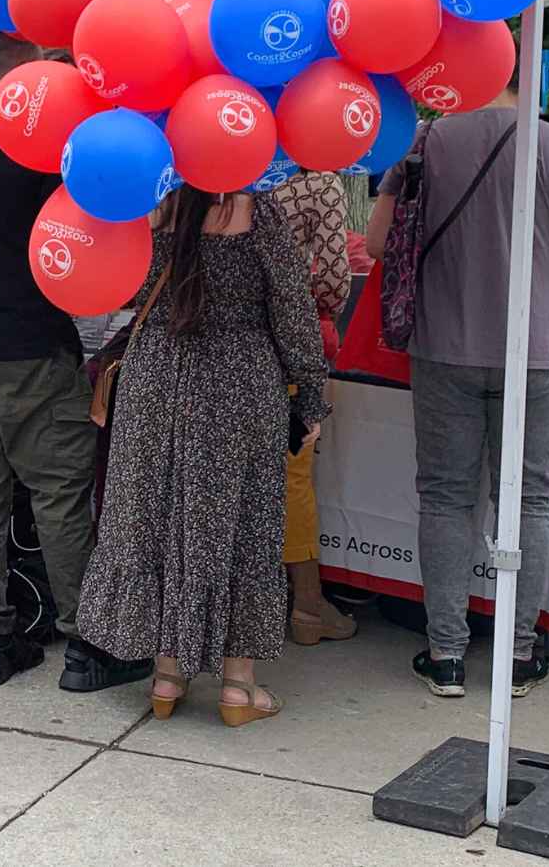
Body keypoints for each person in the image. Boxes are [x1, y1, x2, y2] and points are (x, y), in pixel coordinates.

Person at [0, 28, 147, 692]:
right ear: (27, 72)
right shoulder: (42, 146)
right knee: (59, 493)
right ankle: (88, 645)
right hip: (35, 344)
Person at [367, 80, 549, 699]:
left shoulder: (421, 143)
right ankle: (519, 652)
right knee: (528, 499)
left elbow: (376, 243)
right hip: (534, 349)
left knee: (446, 498)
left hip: (443, 345)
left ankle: (447, 653)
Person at [77, 187, 329, 726]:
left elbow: (118, 287)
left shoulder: (148, 200)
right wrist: (309, 392)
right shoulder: (256, 210)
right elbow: (292, 309)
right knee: (242, 525)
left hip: (155, 376)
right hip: (238, 380)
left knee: (156, 520)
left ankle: (166, 677)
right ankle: (238, 686)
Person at [272, 171, 357, 645]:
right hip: (289, 346)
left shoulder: (215, 170)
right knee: (293, 476)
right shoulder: (318, 182)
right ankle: (306, 603)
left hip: (212, 350)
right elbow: (332, 280)